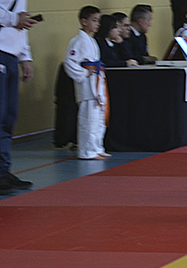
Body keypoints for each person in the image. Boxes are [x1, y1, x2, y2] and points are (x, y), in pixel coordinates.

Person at [0, 0, 37, 193]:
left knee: (8, 116)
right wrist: (15, 19)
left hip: (11, 55)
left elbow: (22, 25)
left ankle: (3, 170)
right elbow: (17, 19)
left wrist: (25, 58)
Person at [64, 5, 109, 161]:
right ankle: (87, 152)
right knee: (88, 120)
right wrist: (83, 73)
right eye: (94, 20)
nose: (97, 24)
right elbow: (69, 63)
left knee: (98, 120)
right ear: (84, 21)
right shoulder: (77, 41)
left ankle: (97, 148)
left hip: (97, 82)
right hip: (87, 85)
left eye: (98, 21)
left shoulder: (91, 40)